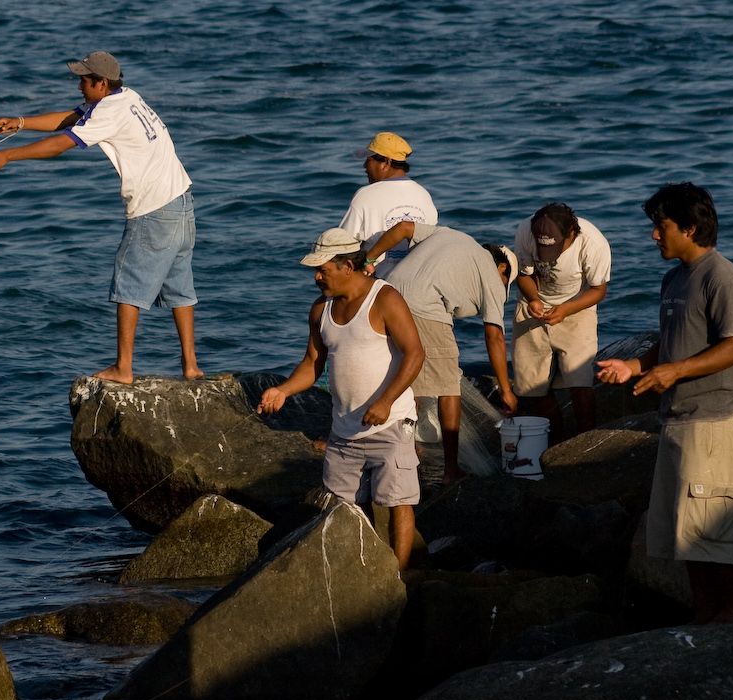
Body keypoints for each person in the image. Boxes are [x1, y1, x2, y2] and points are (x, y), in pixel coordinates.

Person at [0, 51, 201, 384]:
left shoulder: (110, 112)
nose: (79, 85)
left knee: (128, 287)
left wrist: (8, 155)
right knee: (180, 290)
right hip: (182, 203)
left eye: (84, 80)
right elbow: (71, 117)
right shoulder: (126, 97)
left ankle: (123, 368)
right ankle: (191, 366)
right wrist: (20, 123)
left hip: (154, 211)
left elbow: (60, 144)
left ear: (101, 83)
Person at [596, 183, 733, 623]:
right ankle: (707, 622)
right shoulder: (675, 278)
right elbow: (673, 343)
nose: (654, 236)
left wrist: (673, 372)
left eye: (660, 227)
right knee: (687, 540)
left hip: (714, 423)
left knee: (710, 540)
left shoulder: (722, 276)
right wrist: (636, 365)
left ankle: (730, 624)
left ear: (689, 227)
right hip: (679, 422)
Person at [257, 228, 425, 569]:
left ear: (348, 265)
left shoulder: (385, 299)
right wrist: (283, 390)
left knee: (399, 501)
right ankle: (359, 573)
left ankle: (399, 576)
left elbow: (415, 354)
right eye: (315, 270)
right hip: (345, 428)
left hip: (391, 421)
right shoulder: (321, 310)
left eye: (323, 270)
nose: (317, 277)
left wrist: (386, 401)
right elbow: (311, 365)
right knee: (345, 506)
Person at [388, 226, 518, 483]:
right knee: (449, 386)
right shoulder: (492, 275)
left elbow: (403, 227)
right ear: (502, 268)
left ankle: (398, 453)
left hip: (387, 294)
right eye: (507, 283)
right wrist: (506, 390)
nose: (503, 290)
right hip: (423, 307)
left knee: (405, 380)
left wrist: (368, 259)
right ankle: (450, 469)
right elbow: (495, 337)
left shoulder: (453, 239)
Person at [510, 202, 610, 441]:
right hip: (533, 304)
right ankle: (555, 440)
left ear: (571, 234)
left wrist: (566, 309)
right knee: (532, 385)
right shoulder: (526, 231)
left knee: (580, 380)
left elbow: (598, 289)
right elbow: (524, 275)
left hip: (577, 305)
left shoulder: (593, 243)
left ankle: (586, 440)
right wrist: (533, 299)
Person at [338, 131, 437, 279]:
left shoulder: (366, 195)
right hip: (417, 282)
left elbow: (342, 245)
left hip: (378, 285)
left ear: (386, 162)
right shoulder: (424, 195)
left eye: (369, 160)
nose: (364, 165)